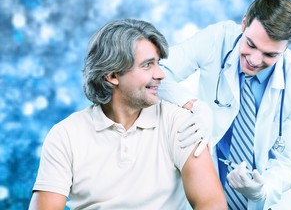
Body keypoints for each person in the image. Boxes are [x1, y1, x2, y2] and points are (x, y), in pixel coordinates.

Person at [28, 19, 227, 210]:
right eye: (148, 65)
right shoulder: (65, 135)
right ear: (112, 75)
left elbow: (212, 203)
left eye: (158, 63)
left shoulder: (179, 123)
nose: (161, 74)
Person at [159, 0, 291, 210]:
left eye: (270, 54)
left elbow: (289, 161)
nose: (254, 60)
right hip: (210, 184)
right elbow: (158, 72)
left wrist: (262, 190)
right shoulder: (217, 39)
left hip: (267, 201)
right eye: (250, 44)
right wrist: (194, 106)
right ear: (244, 23)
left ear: (286, 48)